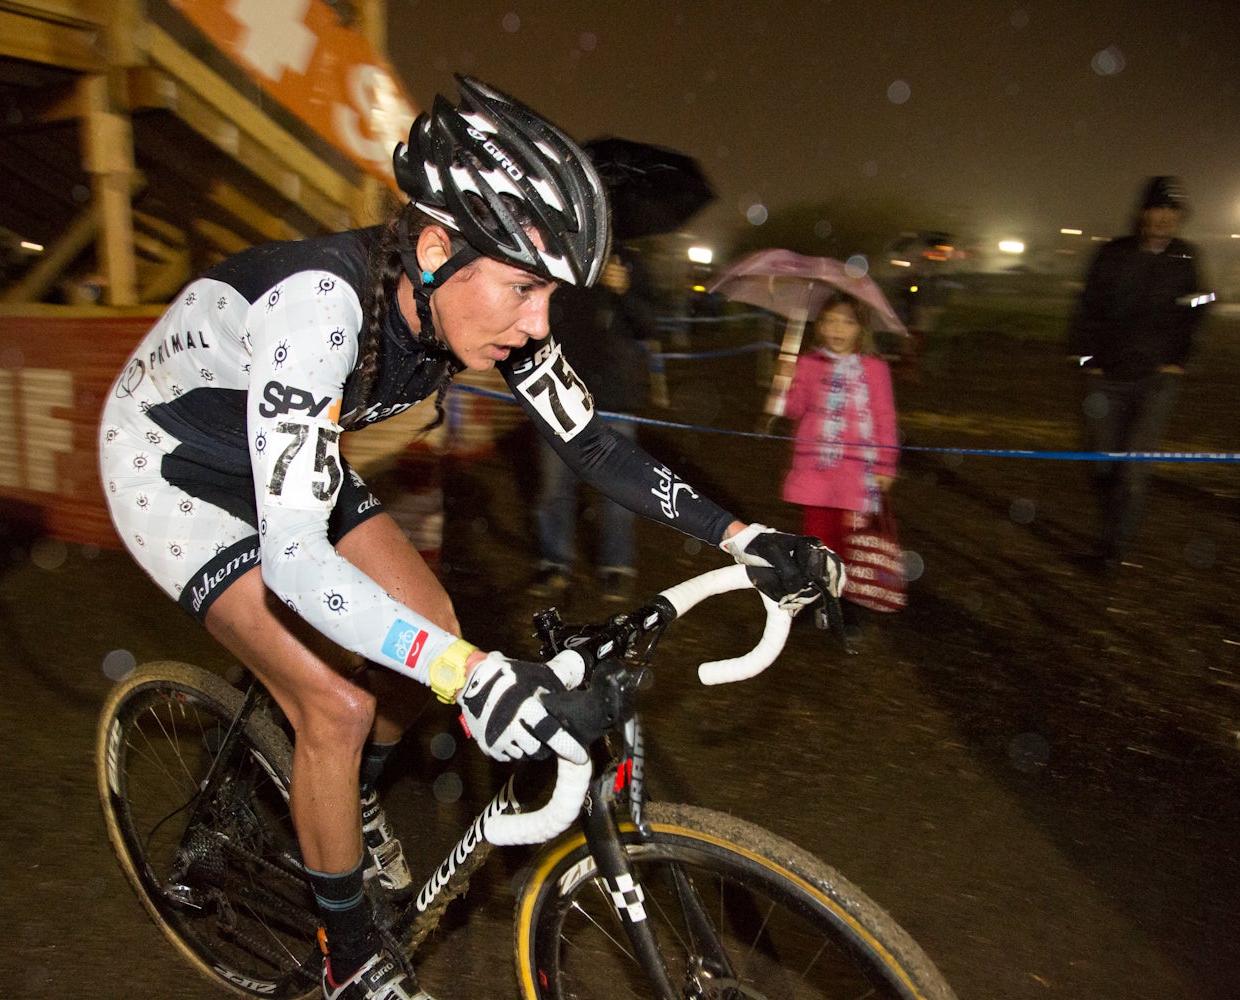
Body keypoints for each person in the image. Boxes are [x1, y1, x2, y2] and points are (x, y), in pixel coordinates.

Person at [98, 76, 843, 1000]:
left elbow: (596, 448)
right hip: (172, 469)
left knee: (432, 628)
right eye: (525, 287)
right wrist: (473, 677)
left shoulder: (478, 307)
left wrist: (741, 534)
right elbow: (293, 559)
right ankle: (350, 966)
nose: (539, 323)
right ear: (438, 247)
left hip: (282, 460)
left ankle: (350, 795)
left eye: (549, 295)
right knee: (337, 707)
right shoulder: (317, 309)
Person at [1068, 175, 1212, 569]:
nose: (1164, 218)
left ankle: (1113, 550)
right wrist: (1085, 360)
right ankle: (1110, 528)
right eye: (1158, 209)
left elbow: (1202, 305)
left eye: (1172, 211)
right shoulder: (1111, 255)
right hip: (1106, 379)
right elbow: (1086, 307)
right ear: (1144, 213)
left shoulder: (1186, 259)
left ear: (1179, 218)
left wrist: (1180, 360)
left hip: (1156, 383)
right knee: (1101, 464)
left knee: (1133, 470)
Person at [529, 248, 654, 603]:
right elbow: (540, 322)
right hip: (560, 395)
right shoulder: (560, 262)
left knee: (618, 492)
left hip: (616, 399)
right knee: (554, 489)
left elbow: (649, 325)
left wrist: (625, 292)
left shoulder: (628, 262)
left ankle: (617, 567)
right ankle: (554, 562)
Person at [777, 293, 899, 632]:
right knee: (816, 538)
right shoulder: (810, 363)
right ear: (820, 325)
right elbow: (793, 408)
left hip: (857, 472)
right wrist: (786, 382)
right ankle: (814, 597)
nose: (838, 329)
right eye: (831, 321)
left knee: (849, 541)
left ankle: (844, 604)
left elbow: (885, 417)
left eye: (847, 322)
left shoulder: (874, 368)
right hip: (816, 469)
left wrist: (886, 465)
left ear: (860, 328)